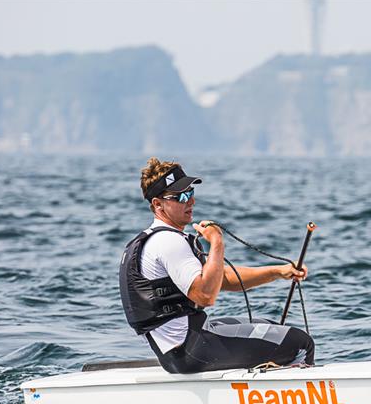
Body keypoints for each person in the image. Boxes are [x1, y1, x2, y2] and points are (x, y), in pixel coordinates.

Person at [119, 157, 315, 373]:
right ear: (158, 204)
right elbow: (205, 295)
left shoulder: (158, 239)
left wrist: (278, 272)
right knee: (300, 343)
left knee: (273, 327)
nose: (190, 201)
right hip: (191, 350)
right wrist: (217, 242)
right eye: (182, 196)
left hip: (182, 348)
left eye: (191, 193)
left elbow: (220, 278)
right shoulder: (168, 242)